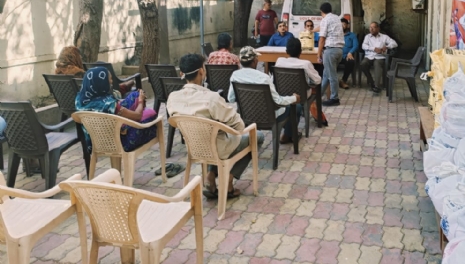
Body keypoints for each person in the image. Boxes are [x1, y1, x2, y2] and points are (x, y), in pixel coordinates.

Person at [166, 53, 264, 199]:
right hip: (218, 149)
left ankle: (211, 176)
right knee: (256, 136)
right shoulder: (212, 98)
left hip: (194, 148)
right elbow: (239, 126)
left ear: (181, 74)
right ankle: (228, 182)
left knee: (215, 136)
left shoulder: (172, 98)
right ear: (201, 71)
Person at [228, 46, 302, 144]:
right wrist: (294, 98)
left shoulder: (235, 75)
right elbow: (278, 101)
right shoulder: (264, 78)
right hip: (268, 117)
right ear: (254, 61)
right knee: (296, 107)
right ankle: (288, 135)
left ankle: (289, 133)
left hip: (247, 115)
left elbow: (231, 98)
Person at [75, 66, 158, 152]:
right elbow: (138, 116)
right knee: (151, 114)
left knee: (134, 95)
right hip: (119, 143)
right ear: (101, 83)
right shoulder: (110, 105)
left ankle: (125, 122)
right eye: (109, 79)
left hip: (95, 144)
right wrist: (140, 101)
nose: (111, 81)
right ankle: (127, 124)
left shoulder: (79, 100)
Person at [317, 2, 345, 106]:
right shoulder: (336, 18)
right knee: (326, 74)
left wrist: (318, 54)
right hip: (339, 50)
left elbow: (322, 38)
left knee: (331, 75)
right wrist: (311, 30)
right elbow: (321, 28)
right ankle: (318, 94)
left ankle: (335, 98)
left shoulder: (325, 19)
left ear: (321, 12)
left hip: (330, 50)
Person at [360, 22, 398, 93]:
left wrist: (386, 47)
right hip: (369, 56)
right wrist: (373, 48)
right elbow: (363, 46)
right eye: (370, 27)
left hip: (380, 57)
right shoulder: (367, 37)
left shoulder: (384, 37)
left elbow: (394, 43)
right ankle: (371, 82)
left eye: (373, 27)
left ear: (378, 28)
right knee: (363, 64)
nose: (371, 29)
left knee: (377, 65)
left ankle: (377, 86)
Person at [339, 18, 359, 89]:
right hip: (336, 56)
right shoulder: (336, 35)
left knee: (351, 62)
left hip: (346, 56)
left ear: (347, 26)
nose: (342, 26)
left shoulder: (352, 35)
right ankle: (330, 81)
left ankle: (343, 80)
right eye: (340, 25)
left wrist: (350, 52)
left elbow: (356, 45)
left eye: (344, 24)